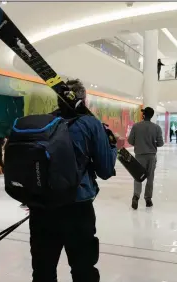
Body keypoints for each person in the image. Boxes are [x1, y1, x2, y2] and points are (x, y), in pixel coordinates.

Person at [29, 79, 117, 282]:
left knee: (43, 271)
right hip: (77, 207)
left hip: (42, 207)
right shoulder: (90, 124)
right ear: (82, 100)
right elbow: (105, 170)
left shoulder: (44, 122)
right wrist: (111, 146)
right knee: (83, 269)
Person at [128, 107, 164, 210]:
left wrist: (139, 142)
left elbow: (130, 141)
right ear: (152, 116)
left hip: (139, 156)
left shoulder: (136, 126)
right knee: (150, 177)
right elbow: (160, 143)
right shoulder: (157, 128)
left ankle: (136, 197)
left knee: (138, 177)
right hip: (151, 156)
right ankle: (148, 199)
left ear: (143, 115)